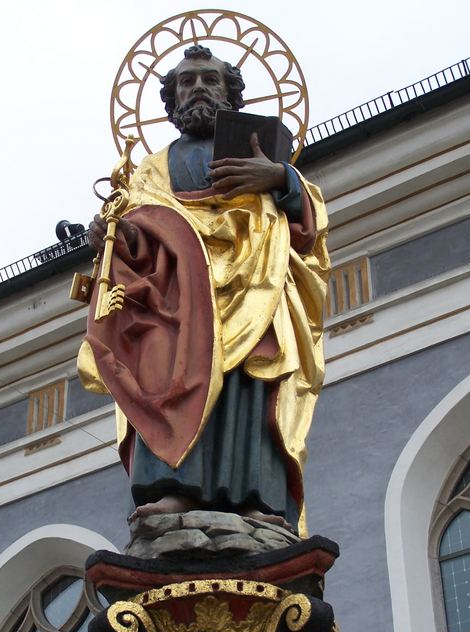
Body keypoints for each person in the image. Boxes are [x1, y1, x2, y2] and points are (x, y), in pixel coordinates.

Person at [78, 45, 330, 532]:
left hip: (256, 282)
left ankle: (262, 501)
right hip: (177, 300)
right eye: (185, 83)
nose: (197, 88)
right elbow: (139, 234)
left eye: (210, 80)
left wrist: (279, 177)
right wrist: (113, 235)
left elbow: (309, 228)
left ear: (232, 96)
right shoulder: (151, 169)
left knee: (253, 388)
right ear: (170, 103)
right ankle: (174, 490)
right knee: (166, 379)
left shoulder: (256, 152)